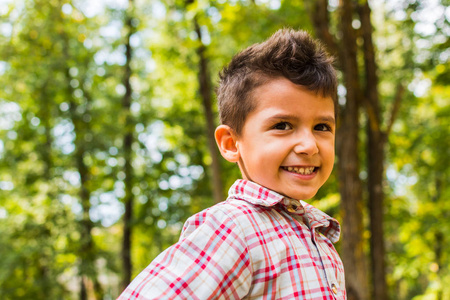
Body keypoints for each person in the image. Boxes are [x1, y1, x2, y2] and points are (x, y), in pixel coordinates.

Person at [118, 28, 346, 299]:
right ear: (230, 143)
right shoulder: (234, 229)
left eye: (321, 126)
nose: (309, 145)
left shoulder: (317, 236)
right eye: (282, 125)